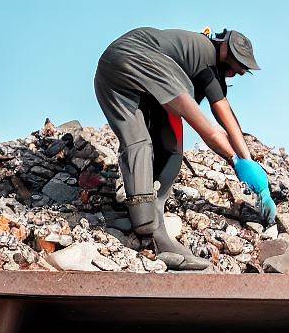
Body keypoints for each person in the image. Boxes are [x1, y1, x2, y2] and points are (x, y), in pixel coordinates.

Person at [94, 27, 277, 271]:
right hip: (141, 57)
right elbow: (210, 129)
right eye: (236, 63)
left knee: (139, 143)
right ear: (224, 47)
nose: (237, 72)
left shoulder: (204, 62)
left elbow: (226, 117)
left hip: (109, 69)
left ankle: (142, 219)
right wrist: (236, 162)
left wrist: (251, 165)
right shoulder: (203, 59)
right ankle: (150, 228)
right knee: (168, 148)